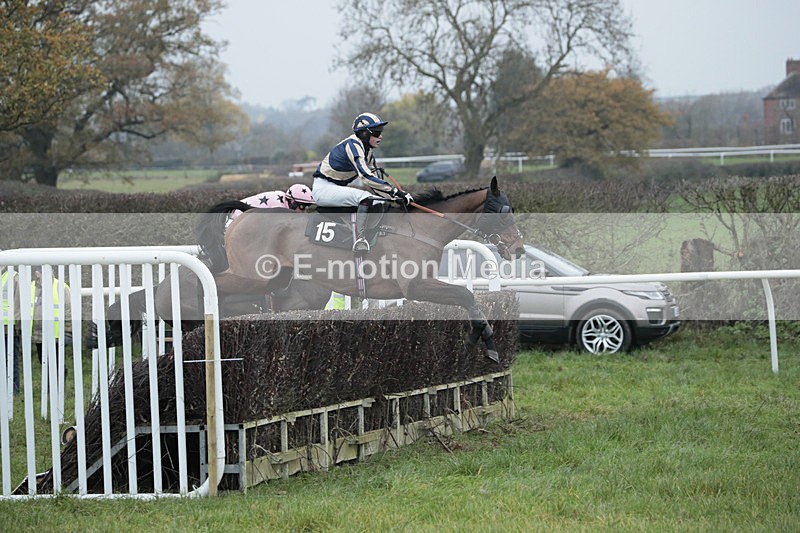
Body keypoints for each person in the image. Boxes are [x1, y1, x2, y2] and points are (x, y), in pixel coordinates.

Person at [312, 112, 413, 253]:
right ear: (364, 133)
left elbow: (376, 184)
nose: (381, 136)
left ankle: (374, 236)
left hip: (337, 188)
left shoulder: (368, 152)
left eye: (381, 132)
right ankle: (360, 240)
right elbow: (366, 176)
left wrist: (395, 198)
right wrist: (395, 191)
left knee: (378, 201)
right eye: (377, 133)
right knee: (365, 197)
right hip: (323, 189)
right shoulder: (353, 145)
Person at [31, 267, 72, 372]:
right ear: (37, 274)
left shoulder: (60, 286)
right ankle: (50, 385)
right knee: (43, 362)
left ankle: (59, 384)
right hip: (38, 332)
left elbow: (69, 309)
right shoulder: (31, 287)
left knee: (56, 362)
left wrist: (68, 329)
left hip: (57, 332)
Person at [227, 184, 315, 226]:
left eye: (308, 207)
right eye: (302, 207)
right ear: (292, 203)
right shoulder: (279, 207)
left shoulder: (282, 201)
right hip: (231, 219)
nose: (304, 211)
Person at [1, 269, 21, 394]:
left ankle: (13, 390)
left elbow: (19, 303)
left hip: (9, 326)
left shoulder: (13, 277)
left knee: (11, 359)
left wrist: (18, 325)